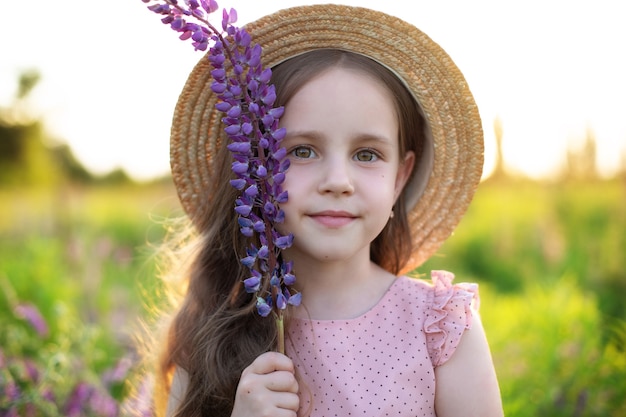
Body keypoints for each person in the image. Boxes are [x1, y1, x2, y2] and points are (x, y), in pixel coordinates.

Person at [145, 3, 503, 417]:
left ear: (400, 177)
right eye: (302, 150)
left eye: (367, 154)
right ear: (254, 167)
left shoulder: (440, 329)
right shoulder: (210, 334)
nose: (338, 180)